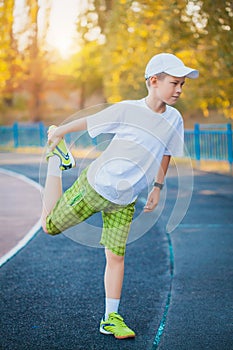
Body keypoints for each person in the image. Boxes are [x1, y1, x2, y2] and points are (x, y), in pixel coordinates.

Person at [41, 53, 198, 339]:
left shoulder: (175, 119)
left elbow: (166, 152)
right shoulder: (128, 110)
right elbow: (90, 122)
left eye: (182, 85)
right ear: (153, 81)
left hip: (125, 201)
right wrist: (60, 131)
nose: (179, 90)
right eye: (174, 83)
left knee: (116, 256)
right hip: (94, 187)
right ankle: (56, 161)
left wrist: (157, 188)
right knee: (49, 226)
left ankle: (110, 318)